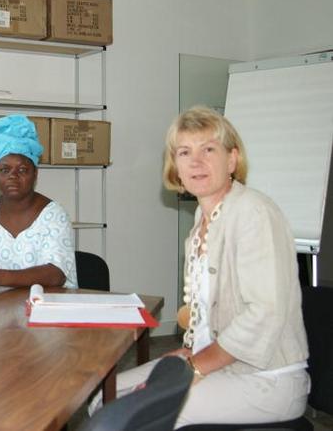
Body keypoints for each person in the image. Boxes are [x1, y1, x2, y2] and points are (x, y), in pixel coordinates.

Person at [90, 106, 309, 426]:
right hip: (217, 363)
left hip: (266, 379)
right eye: (185, 152)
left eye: (209, 149)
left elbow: (264, 313)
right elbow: (207, 314)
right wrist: (186, 352)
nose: (196, 161)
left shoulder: (253, 213)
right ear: (175, 167)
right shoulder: (201, 221)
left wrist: (195, 367)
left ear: (232, 159)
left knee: (130, 417)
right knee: (103, 400)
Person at [0, 115, 76, 291]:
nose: (13, 176)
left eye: (22, 169)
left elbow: (55, 274)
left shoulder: (54, 215)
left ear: (35, 173)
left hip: (43, 312)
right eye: (5, 169)